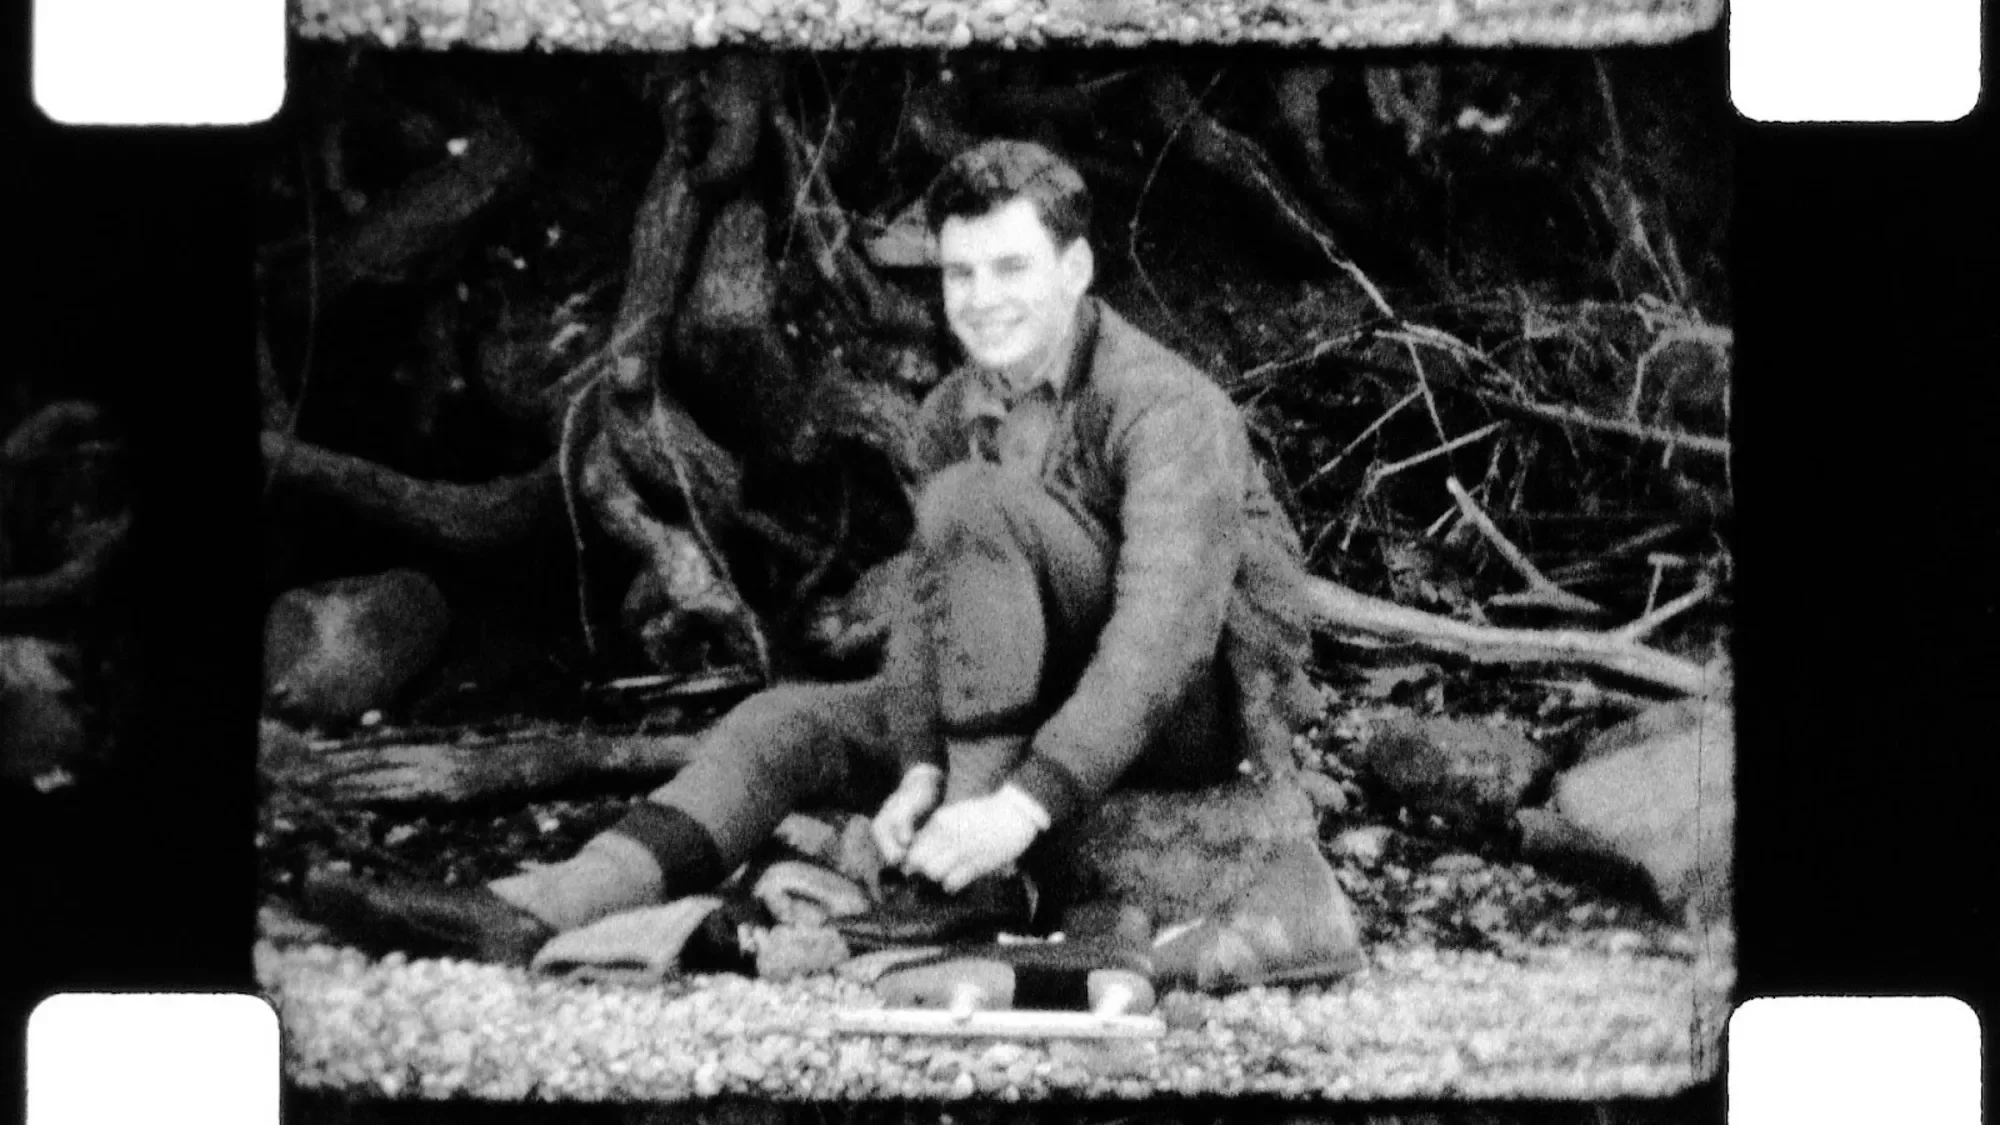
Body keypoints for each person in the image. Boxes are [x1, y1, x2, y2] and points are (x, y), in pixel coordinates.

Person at [303, 140, 1358, 985]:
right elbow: (936, 610)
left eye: (1010, 269)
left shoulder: (1168, 408)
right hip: (1027, 694)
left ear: (1074, 271)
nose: (980, 299)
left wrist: (1012, 808)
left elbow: (1161, 639)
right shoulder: (953, 410)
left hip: (1191, 715)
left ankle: (975, 893)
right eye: (958, 273)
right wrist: (916, 768)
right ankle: (544, 905)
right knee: (788, 720)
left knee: (978, 502)